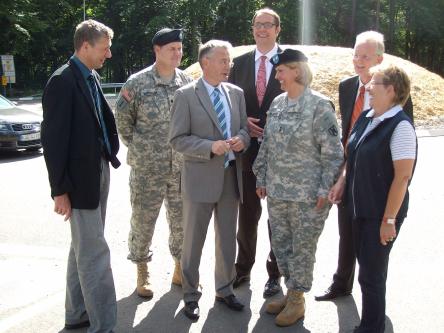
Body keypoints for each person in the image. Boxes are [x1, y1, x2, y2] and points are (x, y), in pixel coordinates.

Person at [315, 30, 414, 301]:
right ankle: (341, 284)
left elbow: (404, 150)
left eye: (366, 56)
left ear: (380, 59)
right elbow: (349, 134)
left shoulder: (395, 94)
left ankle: (372, 306)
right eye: (355, 54)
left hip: (377, 182)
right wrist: (342, 177)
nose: (358, 61)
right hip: (350, 171)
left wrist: (393, 200)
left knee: (373, 252)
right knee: (346, 234)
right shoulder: (347, 86)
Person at [253, 48, 343, 327]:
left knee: (302, 248)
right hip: (278, 192)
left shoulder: (319, 106)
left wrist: (323, 190)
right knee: (281, 246)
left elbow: (333, 153)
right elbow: (267, 143)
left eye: (281, 70)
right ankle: (292, 292)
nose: (277, 75)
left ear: (297, 71)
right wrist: (262, 177)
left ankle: (297, 300)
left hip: (307, 196)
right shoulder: (278, 103)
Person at [41, 19, 120, 332]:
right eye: (105, 48)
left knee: (83, 247)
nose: (109, 54)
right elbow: (54, 140)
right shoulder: (62, 80)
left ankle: (76, 314)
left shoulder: (90, 76)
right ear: (85, 46)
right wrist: (59, 189)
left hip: (98, 169)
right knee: (95, 253)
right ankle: (105, 326)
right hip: (78, 182)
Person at [328, 64, 417, 332]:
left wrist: (389, 219)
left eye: (374, 84)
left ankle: (372, 327)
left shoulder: (401, 127)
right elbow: (352, 157)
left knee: (371, 276)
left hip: (380, 214)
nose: (367, 87)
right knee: (368, 272)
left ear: (390, 90)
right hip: (358, 209)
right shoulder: (368, 117)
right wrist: (342, 182)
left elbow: (402, 178)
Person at [169, 40, 250, 320]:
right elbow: (177, 139)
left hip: (230, 176)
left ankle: (225, 290)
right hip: (199, 178)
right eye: (223, 60)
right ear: (205, 63)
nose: (229, 65)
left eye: (229, 60)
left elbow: (243, 129)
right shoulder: (186, 95)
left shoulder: (236, 94)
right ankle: (190, 295)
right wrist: (208, 147)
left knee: (227, 239)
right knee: (193, 242)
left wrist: (242, 139)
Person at [115, 28, 193, 298]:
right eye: (171, 48)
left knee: (181, 221)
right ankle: (142, 270)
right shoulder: (136, 83)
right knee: (143, 221)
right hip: (148, 170)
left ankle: (181, 267)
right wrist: (142, 148)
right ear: (157, 51)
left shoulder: (187, 81)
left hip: (181, 168)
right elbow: (123, 123)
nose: (177, 53)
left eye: (180, 48)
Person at [228, 7, 283, 297]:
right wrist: (242, 122)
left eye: (267, 25)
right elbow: (229, 102)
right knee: (247, 214)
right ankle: (243, 268)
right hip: (247, 152)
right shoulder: (239, 63)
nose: (261, 30)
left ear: (277, 29)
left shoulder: (292, 61)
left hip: (280, 155)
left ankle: (275, 274)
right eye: (256, 25)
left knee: (278, 216)